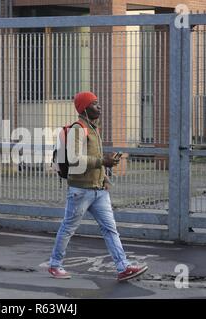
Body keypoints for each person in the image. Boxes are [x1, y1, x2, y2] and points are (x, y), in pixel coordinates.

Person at [48, 91, 148, 282]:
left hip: (98, 190)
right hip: (80, 190)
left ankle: (123, 267)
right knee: (68, 228)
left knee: (110, 229)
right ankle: (55, 264)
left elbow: (96, 162)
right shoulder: (79, 129)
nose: (99, 106)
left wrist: (104, 178)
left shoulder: (93, 128)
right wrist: (102, 161)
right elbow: (74, 159)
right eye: (94, 103)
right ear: (84, 108)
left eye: (98, 102)